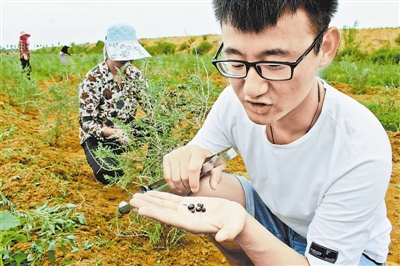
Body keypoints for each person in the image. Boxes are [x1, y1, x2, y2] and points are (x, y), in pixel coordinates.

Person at [130, 1, 393, 265]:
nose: (251, 90)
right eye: (236, 61)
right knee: (201, 188)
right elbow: (201, 152)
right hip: (274, 217)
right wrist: (190, 156)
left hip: (350, 254)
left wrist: (244, 227)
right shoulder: (232, 103)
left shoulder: (360, 145)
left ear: (324, 47)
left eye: (276, 64)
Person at [79, 23, 151, 185]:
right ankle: (109, 161)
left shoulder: (136, 76)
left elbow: (151, 110)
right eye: (120, 55)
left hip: (127, 133)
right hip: (99, 138)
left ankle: (151, 171)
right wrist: (113, 132)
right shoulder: (93, 78)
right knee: (109, 174)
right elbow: (87, 123)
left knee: (162, 125)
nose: (125, 59)